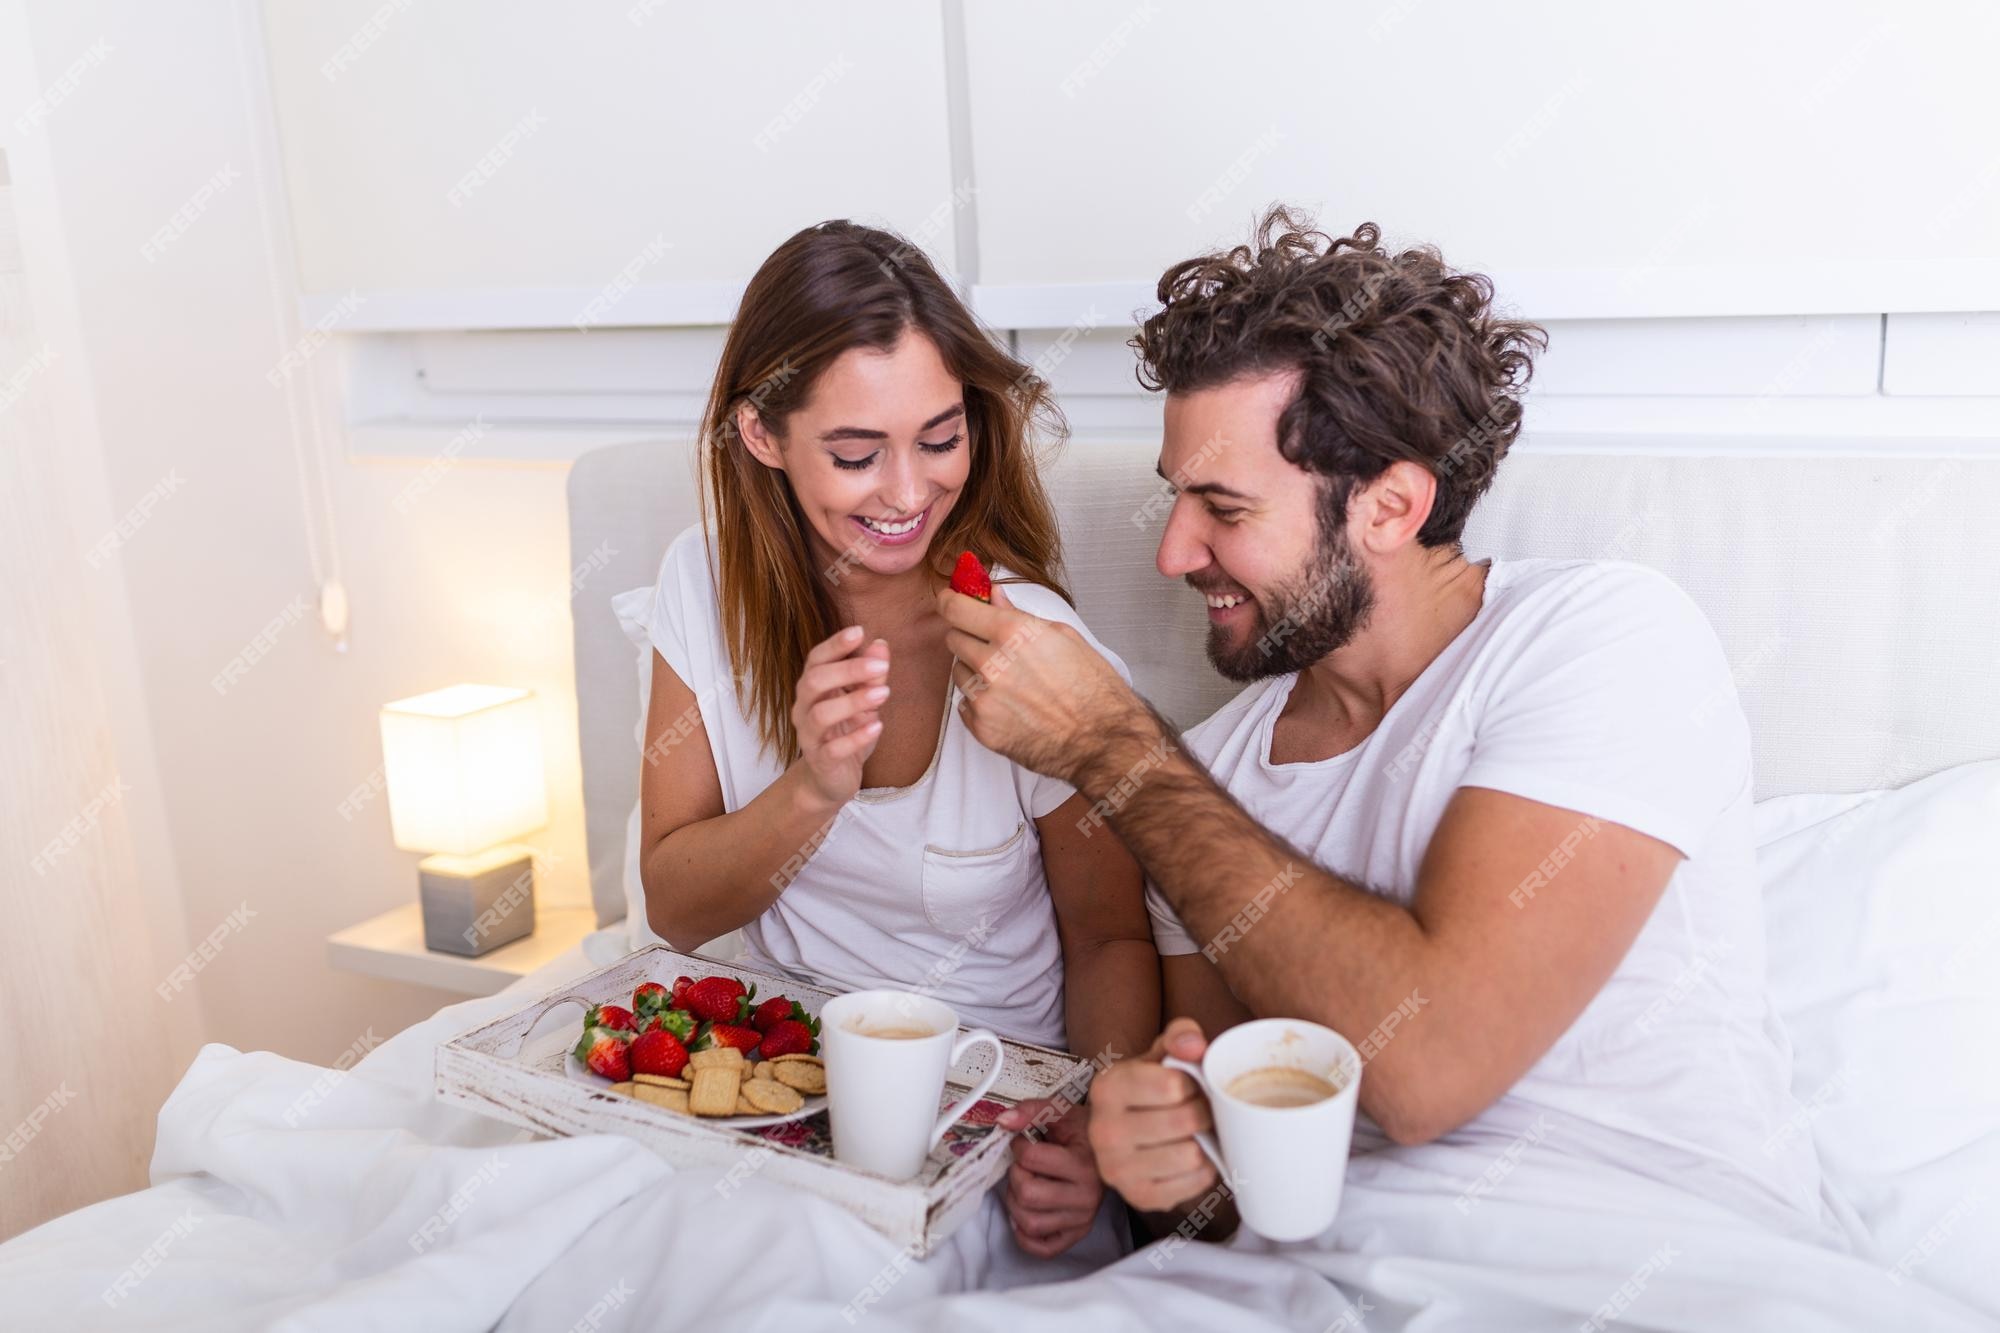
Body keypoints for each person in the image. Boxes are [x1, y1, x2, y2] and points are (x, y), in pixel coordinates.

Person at [939, 207, 1827, 1246]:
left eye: (1221, 509)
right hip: (1319, 1283)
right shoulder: (1210, 774)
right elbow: (1220, 1205)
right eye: (1174, 500)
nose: (1171, 554)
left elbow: (1426, 1068)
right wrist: (1162, 1164)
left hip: (1642, 1254)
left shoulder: (1600, 640)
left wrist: (1109, 746)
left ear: (1391, 507)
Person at [636, 219, 1158, 1257]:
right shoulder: (699, 586)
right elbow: (676, 908)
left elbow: (1110, 934)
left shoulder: (1028, 644)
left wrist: (1088, 1122)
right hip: (777, 1093)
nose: (909, 492)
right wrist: (807, 793)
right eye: (854, 453)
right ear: (760, 436)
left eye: (939, 436)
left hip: (978, 1113)